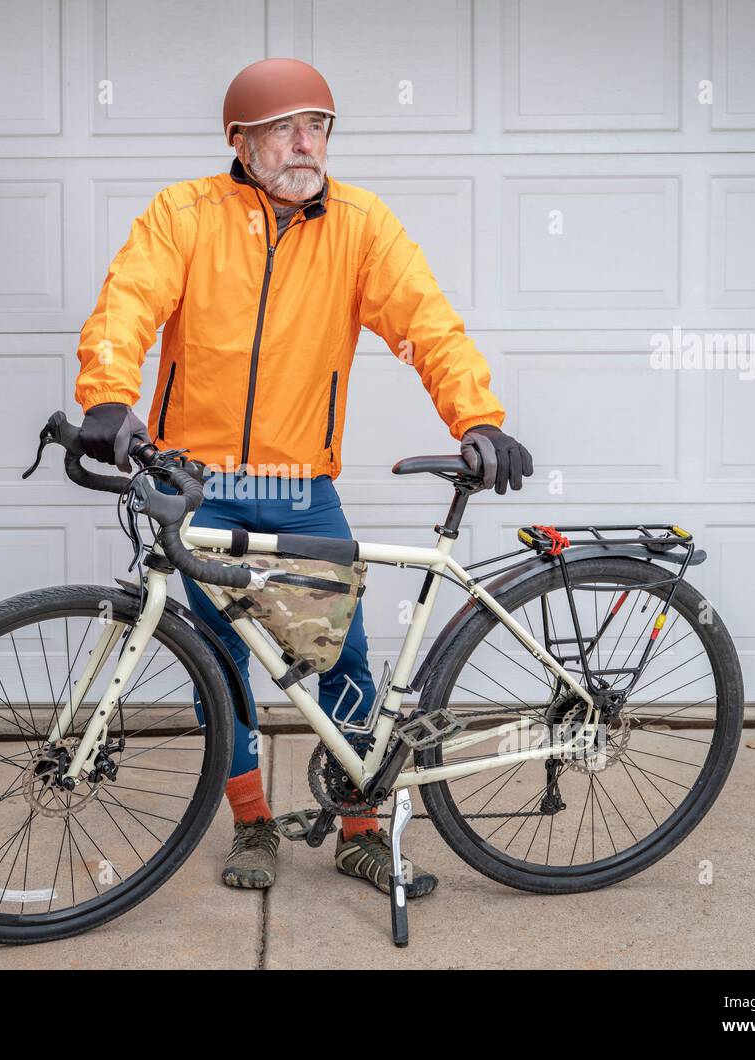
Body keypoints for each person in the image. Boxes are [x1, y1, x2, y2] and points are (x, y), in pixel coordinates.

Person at [72, 58, 533, 898]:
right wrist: (107, 394)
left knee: (342, 655)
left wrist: (477, 417)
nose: (304, 143)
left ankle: (359, 828)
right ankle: (252, 826)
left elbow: (428, 324)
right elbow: (127, 303)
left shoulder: (359, 226)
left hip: (297, 484)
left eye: (317, 125)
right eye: (284, 127)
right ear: (239, 141)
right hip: (199, 482)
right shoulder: (186, 215)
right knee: (221, 664)